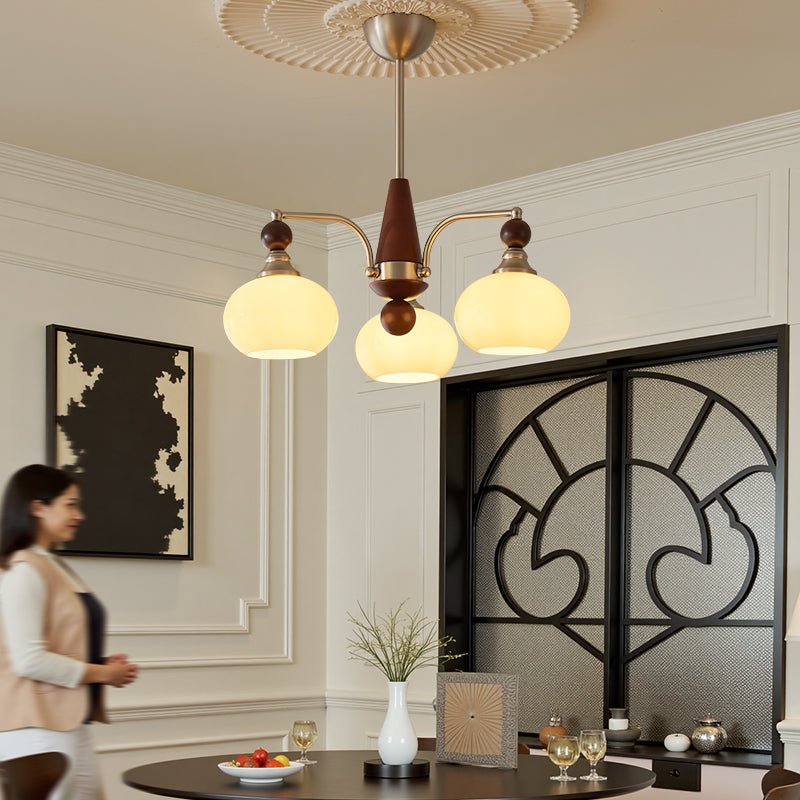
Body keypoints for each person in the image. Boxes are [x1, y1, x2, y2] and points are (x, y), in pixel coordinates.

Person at [0, 464, 138, 799]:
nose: (80, 515)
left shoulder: (50, 565)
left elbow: (55, 642)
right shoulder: (24, 570)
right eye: (70, 505)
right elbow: (29, 660)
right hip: (35, 727)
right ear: (38, 507)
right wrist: (103, 673)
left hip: (65, 721)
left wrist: (98, 663)